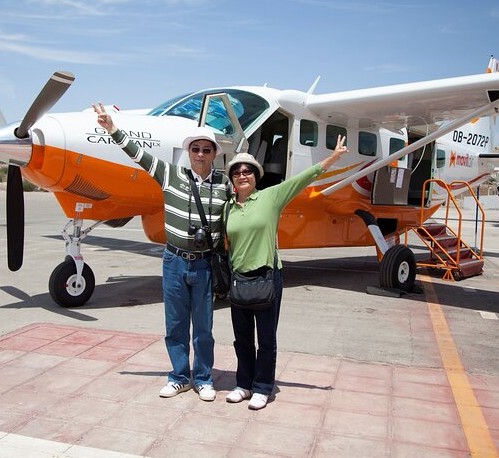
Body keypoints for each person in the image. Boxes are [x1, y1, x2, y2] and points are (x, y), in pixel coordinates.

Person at [92, 103, 231, 402]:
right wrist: (112, 129)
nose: (201, 154)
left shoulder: (224, 184)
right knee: (176, 324)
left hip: (206, 264)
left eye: (207, 150)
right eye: (196, 149)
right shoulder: (170, 175)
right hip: (174, 261)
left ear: (214, 154)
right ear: (189, 152)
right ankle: (180, 377)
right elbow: (138, 155)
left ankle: (204, 378)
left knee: (204, 327)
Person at [224, 136, 348, 410]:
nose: (242, 175)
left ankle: (263, 387)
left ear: (256, 176)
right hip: (239, 279)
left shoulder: (271, 197)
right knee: (242, 338)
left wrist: (333, 158)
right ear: (232, 179)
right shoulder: (228, 207)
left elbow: (302, 179)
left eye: (247, 171)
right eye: (237, 172)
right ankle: (243, 384)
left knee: (266, 339)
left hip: (267, 277)